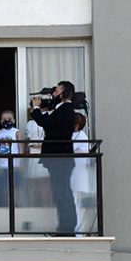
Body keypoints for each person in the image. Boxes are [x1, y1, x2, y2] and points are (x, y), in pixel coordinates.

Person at [30, 80, 77, 234]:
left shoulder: (66, 108)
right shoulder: (61, 109)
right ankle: (64, 226)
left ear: (63, 93)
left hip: (60, 157)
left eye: (56, 91)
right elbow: (51, 123)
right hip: (58, 158)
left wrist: (36, 107)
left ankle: (67, 228)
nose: (53, 93)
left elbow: (45, 122)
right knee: (60, 192)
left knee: (62, 193)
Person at [71, 113, 95, 234]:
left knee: (77, 203)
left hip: (78, 172)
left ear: (76, 125)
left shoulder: (81, 136)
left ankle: (78, 231)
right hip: (72, 171)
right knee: (72, 201)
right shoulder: (73, 135)